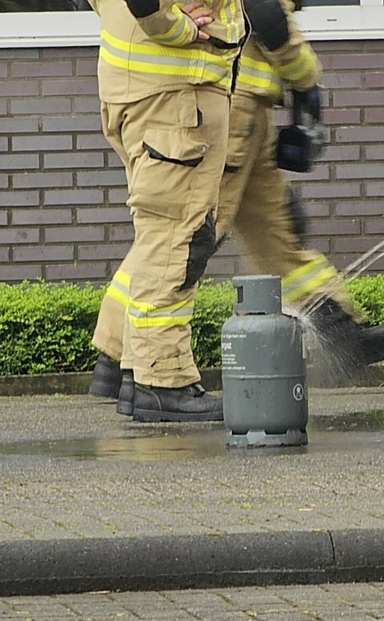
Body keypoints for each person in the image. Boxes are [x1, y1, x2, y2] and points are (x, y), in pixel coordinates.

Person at [215, 0, 384, 379]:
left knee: (274, 235)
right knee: (186, 238)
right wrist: (304, 78)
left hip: (246, 103)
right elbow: (265, 12)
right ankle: (132, 360)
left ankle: (340, 331)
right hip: (230, 100)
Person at [85, 0, 245, 422]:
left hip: (144, 86)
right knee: (180, 239)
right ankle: (163, 382)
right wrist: (173, 27)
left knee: (161, 234)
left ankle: (133, 371)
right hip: (176, 91)